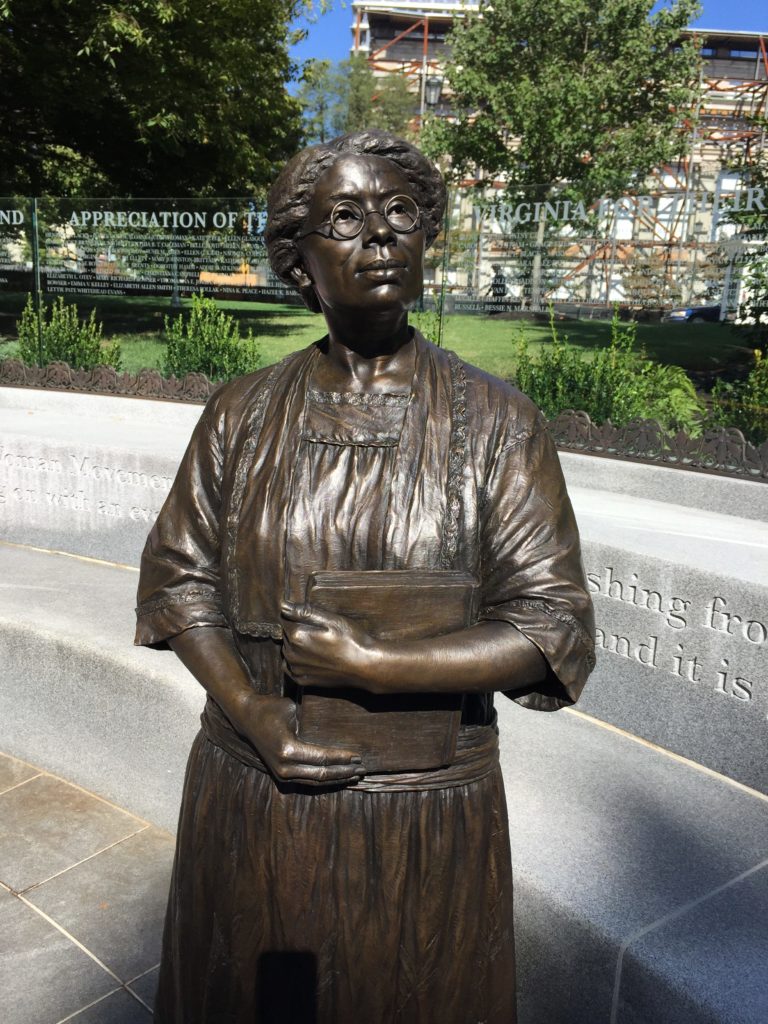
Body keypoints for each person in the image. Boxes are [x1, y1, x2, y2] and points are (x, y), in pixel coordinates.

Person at [135, 129, 595, 1024]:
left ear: (426, 241)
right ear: (300, 263)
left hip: (426, 817)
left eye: (400, 215)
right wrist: (255, 709)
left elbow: (551, 622)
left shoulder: (499, 425)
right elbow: (179, 581)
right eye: (344, 219)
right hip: (257, 790)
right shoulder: (241, 413)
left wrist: (382, 665)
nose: (380, 237)